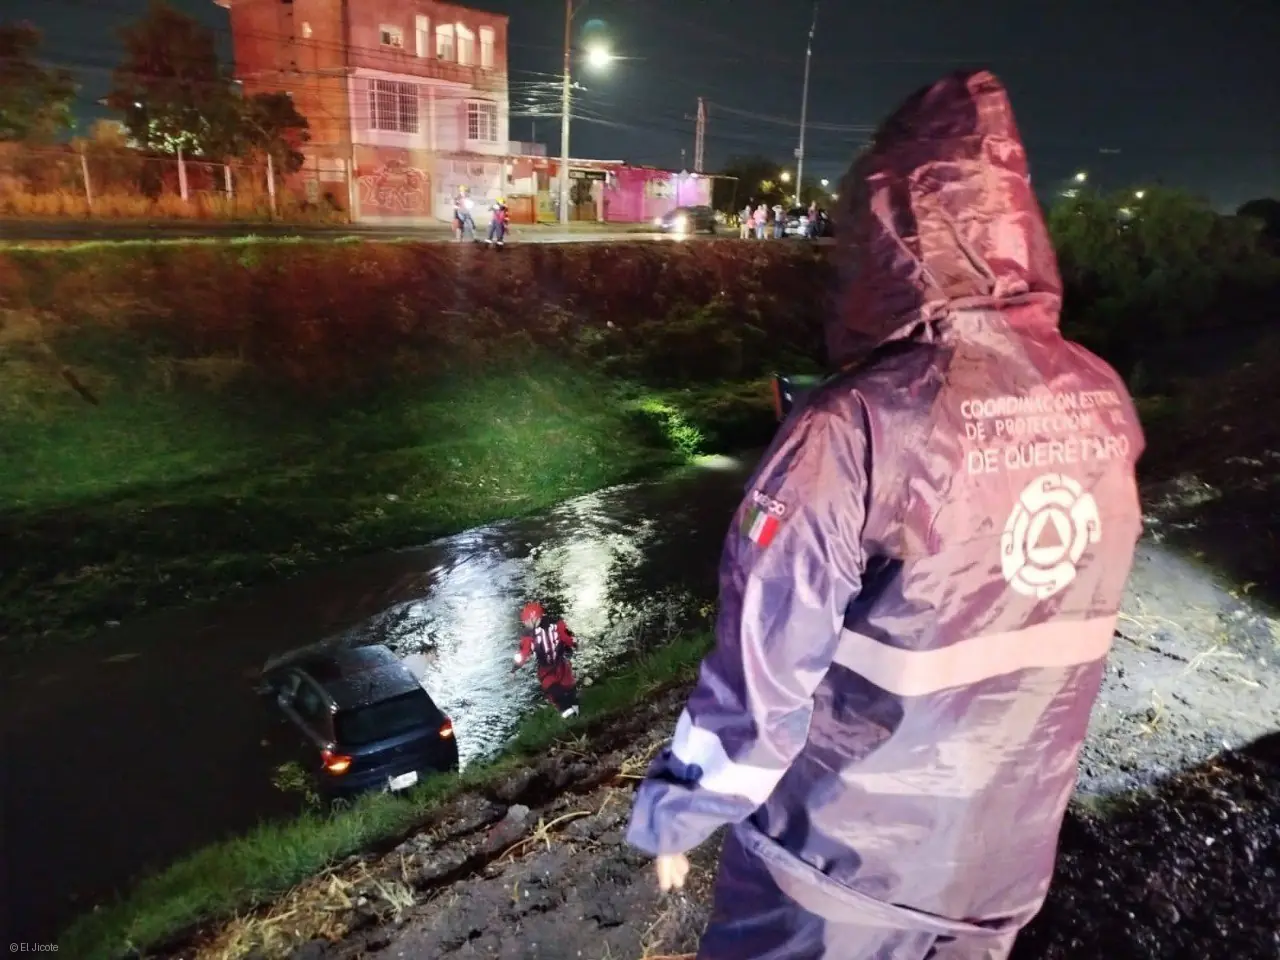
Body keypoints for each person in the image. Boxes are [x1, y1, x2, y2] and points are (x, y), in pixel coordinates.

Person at [626, 69, 1145, 960]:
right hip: (1002, 867)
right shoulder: (1101, 398)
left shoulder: (857, 425)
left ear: (893, 237)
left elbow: (763, 670)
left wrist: (677, 814)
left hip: (836, 876)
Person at [512, 601, 580, 718]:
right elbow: (523, 653)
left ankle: (575, 711)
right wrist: (514, 668)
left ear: (534, 619)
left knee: (570, 689)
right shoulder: (528, 635)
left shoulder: (557, 625)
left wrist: (575, 643)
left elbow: (566, 637)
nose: (525, 624)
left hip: (561, 665)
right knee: (553, 690)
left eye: (526, 621)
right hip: (545, 669)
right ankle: (567, 713)